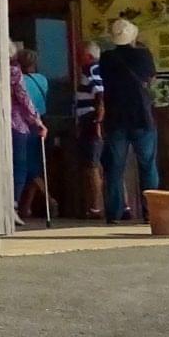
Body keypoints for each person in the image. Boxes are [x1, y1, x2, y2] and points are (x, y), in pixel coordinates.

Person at [99, 17, 160, 222]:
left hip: (116, 117)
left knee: (115, 167)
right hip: (141, 116)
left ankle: (114, 213)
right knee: (147, 165)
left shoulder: (107, 58)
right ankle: (151, 212)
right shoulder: (144, 56)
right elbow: (150, 78)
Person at [10, 46, 49, 220]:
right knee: (30, 166)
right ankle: (24, 205)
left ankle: (22, 205)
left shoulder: (13, 76)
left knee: (24, 166)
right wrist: (38, 121)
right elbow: (32, 102)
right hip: (33, 124)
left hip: (18, 123)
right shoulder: (42, 80)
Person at [74, 40, 106, 219]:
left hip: (91, 120)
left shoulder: (91, 69)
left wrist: (98, 120)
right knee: (102, 165)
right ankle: (122, 206)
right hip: (93, 120)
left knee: (92, 165)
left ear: (88, 56)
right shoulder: (101, 69)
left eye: (80, 54)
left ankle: (95, 207)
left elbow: (100, 93)